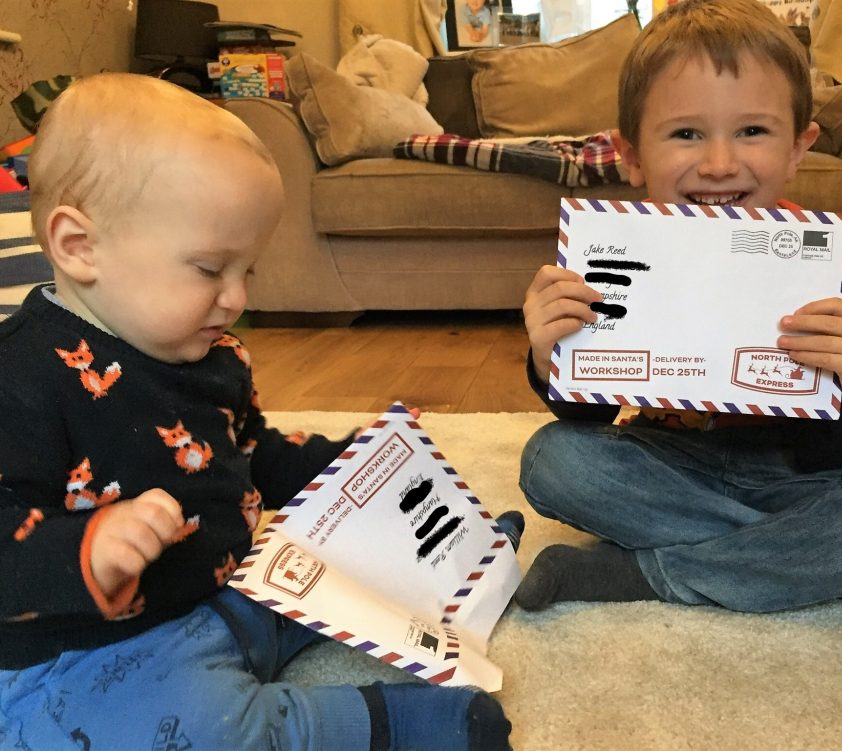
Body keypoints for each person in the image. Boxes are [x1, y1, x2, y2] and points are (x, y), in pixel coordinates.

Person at [0, 72, 514, 751]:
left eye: (251, 271)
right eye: (211, 269)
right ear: (79, 246)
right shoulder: (23, 375)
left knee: (341, 549)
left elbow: (250, 455)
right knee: (195, 730)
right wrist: (87, 551)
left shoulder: (211, 350)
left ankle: (459, 550)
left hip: (239, 586)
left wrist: (359, 466)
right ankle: (393, 722)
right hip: (90, 653)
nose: (237, 298)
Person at [515, 0, 842, 626]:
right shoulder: (611, 250)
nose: (720, 163)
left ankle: (650, 573)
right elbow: (586, 417)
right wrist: (549, 354)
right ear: (633, 154)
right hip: (670, 460)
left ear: (799, 147)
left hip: (791, 473)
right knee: (552, 461)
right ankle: (833, 573)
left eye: (752, 131)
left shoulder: (825, 267)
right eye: (686, 133)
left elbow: (838, 458)